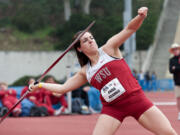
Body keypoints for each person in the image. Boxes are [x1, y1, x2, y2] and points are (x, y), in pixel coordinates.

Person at [30, 7, 177, 135]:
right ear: (79, 49)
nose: (91, 40)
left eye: (91, 37)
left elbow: (130, 29)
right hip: (113, 108)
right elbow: (62, 88)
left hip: (136, 100)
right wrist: (40, 85)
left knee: (168, 133)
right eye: (85, 40)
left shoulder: (109, 48)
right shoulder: (85, 72)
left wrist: (140, 16)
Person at [169, 43, 180, 120]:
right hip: (177, 82)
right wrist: (175, 68)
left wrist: (175, 68)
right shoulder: (171, 60)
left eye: (176, 49)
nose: (175, 50)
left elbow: (174, 69)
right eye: (174, 49)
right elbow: (170, 70)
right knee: (178, 98)